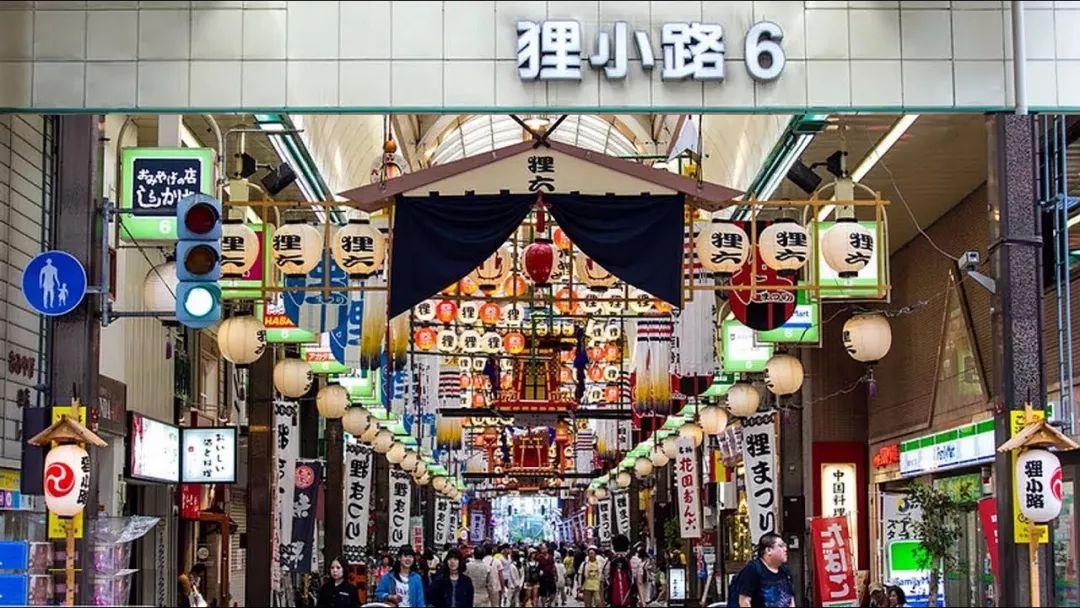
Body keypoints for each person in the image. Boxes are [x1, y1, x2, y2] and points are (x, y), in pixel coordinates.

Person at [734, 533, 795, 608]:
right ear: (768, 550)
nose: (785, 549)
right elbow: (744, 601)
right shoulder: (753, 569)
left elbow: (790, 599)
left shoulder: (784, 571)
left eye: (785, 546)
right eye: (781, 546)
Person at [602, 534, 639, 608]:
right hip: (629, 596)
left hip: (613, 596)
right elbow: (638, 580)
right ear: (627, 546)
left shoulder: (609, 560)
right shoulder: (633, 560)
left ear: (614, 546)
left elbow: (606, 577)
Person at [536, 543, 557, 607]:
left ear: (547, 549)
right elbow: (537, 567)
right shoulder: (539, 557)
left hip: (551, 576)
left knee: (553, 593)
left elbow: (553, 566)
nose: (543, 550)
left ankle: (549, 604)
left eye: (544, 548)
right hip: (543, 578)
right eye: (542, 548)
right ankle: (543, 605)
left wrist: (556, 574)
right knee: (543, 594)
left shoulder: (551, 556)